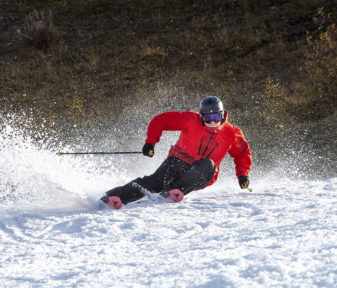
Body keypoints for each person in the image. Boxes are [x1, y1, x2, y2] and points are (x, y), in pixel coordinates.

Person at [101, 96, 252, 209]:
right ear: (201, 116)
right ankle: (113, 197)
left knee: (208, 164)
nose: (212, 122)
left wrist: (242, 175)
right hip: (178, 161)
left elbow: (242, 154)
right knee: (154, 182)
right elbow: (161, 121)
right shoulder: (190, 119)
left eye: (216, 117)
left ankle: (173, 191)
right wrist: (150, 143)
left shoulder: (232, 132)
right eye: (208, 118)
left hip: (202, 173)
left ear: (222, 115)